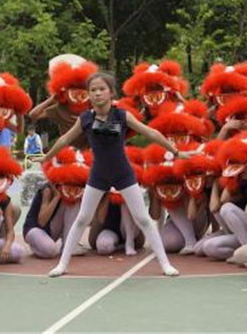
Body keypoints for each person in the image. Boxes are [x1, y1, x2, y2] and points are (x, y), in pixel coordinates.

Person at [40, 71, 193, 277]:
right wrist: (46, 156)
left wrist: (176, 152)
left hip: (123, 174)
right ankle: (62, 265)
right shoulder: (85, 119)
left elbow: (151, 133)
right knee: (83, 218)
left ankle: (165, 265)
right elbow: (64, 140)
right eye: (93, 90)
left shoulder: (122, 115)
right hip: (98, 176)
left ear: (111, 92)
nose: (97, 93)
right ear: (88, 95)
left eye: (102, 89)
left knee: (143, 219)